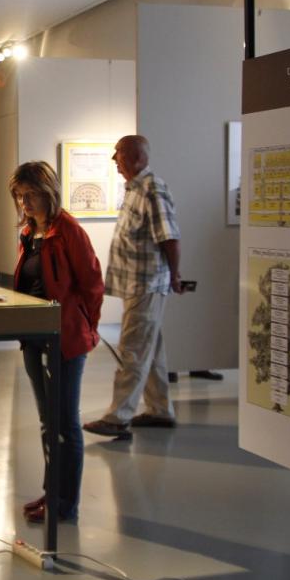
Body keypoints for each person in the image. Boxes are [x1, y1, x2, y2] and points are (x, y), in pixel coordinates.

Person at [10, 161, 104, 525]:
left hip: (64, 338)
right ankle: (52, 493)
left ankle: (65, 503)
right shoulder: (29, 233)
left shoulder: (69, 231)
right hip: (34, 338)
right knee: (47, 421)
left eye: (31, 194)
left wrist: (85, 326)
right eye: (20, 196)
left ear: (48, 192)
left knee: (65, 423)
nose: (25, 202)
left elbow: (92, 285)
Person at [83, 134, 186, 439]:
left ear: (137, 157)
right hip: (136, 284)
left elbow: (170, 237)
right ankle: (160, 409)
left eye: (119, 153)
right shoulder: (134, 189)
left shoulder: (152, 189)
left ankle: (118, 417)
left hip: (146, 284)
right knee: (150, 348)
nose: (114, 159)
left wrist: (175, 275)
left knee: (132, 350)